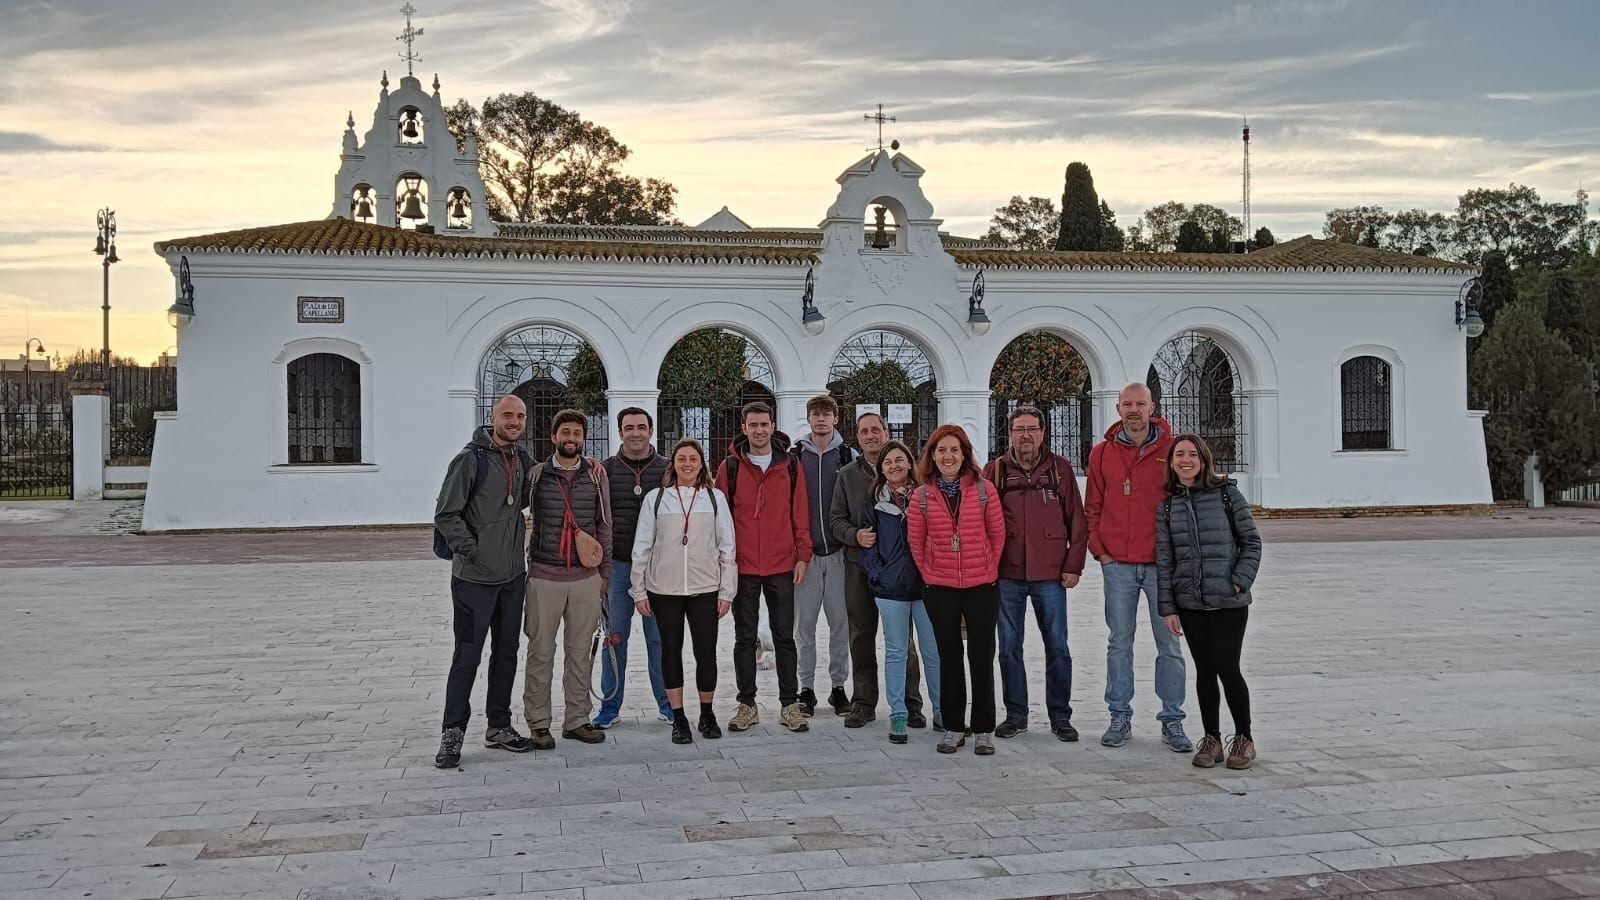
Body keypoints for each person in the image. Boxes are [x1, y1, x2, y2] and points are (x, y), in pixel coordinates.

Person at [432, 395, 536, 767]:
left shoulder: (522, 459)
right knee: (467, 656)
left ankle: (499, 726)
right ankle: (452, 734)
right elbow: (446, 514)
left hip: (511, 577)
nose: (514, 421)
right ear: (492, 417)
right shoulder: (469, 459)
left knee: (507, 653)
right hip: (473, 579)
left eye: (520, 416)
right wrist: (472, 549)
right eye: (507, 415)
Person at [1085, 383, 1190, 752]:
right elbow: (1093, 507)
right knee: (1119, 642)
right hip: (1119, 567)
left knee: (1170, 645)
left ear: (1152, 407)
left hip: (1162, 566)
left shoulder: (1171, 451)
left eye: (1139, 404)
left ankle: (1173, 719)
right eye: (1127, 404)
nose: (1133, 410)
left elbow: (1185, 502)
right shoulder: (1101, 454)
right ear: (1117, 408)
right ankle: (1119, 715)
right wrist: (1101, 551)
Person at [982, 405, 1088, 743]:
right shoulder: (995, 471)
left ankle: (1060, 716)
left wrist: (1074, 565)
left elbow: (1078, 521)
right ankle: (1016, 714)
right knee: (1009, 646)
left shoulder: (1060, 470)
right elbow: (980, 522)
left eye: (1032, 428)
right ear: (1009, 433)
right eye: (1019, 429)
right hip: (1007, 574)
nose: (1025, 435)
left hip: (1051, 575)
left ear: (1043, 432)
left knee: (1057, 646)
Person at [1156, 434, 1262, 770]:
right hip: (1190, 601)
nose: (1185, 460)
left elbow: (1251, 542)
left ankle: (1244, 738)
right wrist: (1168, 607)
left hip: (1229, 601)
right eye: (1178, 455)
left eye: (1191, 454)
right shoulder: (1168, 506)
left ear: (1203, 460)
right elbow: (1165, 559)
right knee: (1204, 671)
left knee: (1228, 669)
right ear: (1172, 463)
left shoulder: (1227, 494)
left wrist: (1237, 583)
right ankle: (1211, 737)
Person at [906, 424, 1006, 756]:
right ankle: (952, 726)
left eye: (954, 449)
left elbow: (998, 534)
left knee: (981, 657)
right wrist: (932, 574)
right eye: (941, 450)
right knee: (948, 657)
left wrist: (988, 568)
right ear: (931, 456)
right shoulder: (921, 496)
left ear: (964, 454)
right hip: (940, 589)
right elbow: (916, 544)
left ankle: (983, 728)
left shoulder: (983, 490)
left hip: (981, 586)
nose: (948, 456)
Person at [631, 439, 737, 744]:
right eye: (681, 459)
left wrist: (726, 591)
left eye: (693, 458)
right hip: (664, 589)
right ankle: (678, 717)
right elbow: (643, 546)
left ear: (702, 463)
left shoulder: (714, 498)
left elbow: (727, 547)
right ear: (673, 463)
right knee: (670, 651)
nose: (687, 464)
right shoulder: (656, 498)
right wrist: (639, 590)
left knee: (705, 653)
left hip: (706, 588)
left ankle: (707, 713)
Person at [715, 401, 812, 733]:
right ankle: (746, 704)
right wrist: (723, 562)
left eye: (764, 424)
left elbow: (799, 513)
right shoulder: (729, 467)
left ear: (773, 427)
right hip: (743, 566)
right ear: (744, 428)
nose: (758, 430)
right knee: (744, 637)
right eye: (752, 424)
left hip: (782, 562)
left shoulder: (791, 466)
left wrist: (803, 555)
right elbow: (721, 520)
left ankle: (789, 704)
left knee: (785, 636)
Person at [831, 411, 929, 729]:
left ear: (886, 432)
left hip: (900, 572)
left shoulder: (910, 477)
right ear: (857, 437)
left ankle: (911, 704)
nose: (871, 435)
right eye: (864, 431)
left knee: (903, 641)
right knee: (861, 635)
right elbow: (836, 520)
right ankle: (863, 702)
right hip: (859, 567)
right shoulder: (847, 475)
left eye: (876, 429)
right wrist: (854, 535)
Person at [523, 409, 613, 749]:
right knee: (540, 651)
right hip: (544, 575)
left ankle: (577, 719)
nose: (570, 439)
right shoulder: (536, 475)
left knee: (579, 652)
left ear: (583, 438)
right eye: (565, 433)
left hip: (585, 578)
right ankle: (539, 723)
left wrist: (603, 575)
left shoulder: (595, 475)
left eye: (577, 433)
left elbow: (604, 526)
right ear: (553, 437)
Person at [593, 407, 673, 728]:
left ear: (651, 430)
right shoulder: (605, 471)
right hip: (617, 568)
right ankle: (610, 706)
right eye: (629, 427)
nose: (635, 432)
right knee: (614, 637)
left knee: (660, 639)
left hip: (658, 569)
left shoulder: (667, 469)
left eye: (641, 426)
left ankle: (668, 703)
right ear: (620, 431)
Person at [858, 440, 941, 745]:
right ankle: (898, 714)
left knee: (933, 652)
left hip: (926, 587)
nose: (893, 466)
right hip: (890, 588)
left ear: (910, 463)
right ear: (881, 469)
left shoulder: (927, 497)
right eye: (887, 462)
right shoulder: (874, 502)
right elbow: (867, 545)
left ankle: (942, 710)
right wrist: (878, 574)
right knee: (896, 652)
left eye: (898, 460)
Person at [794, 395, 854, 720]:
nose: (820, 419)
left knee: (839, 624)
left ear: (835, 418)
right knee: (803, 627)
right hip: (806, 557)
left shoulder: (847, 455)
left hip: (839, 554)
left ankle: (839, 687)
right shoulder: (795, 457)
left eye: (826, 414)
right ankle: (805, 688)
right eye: (815, 414)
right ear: (808, 418)